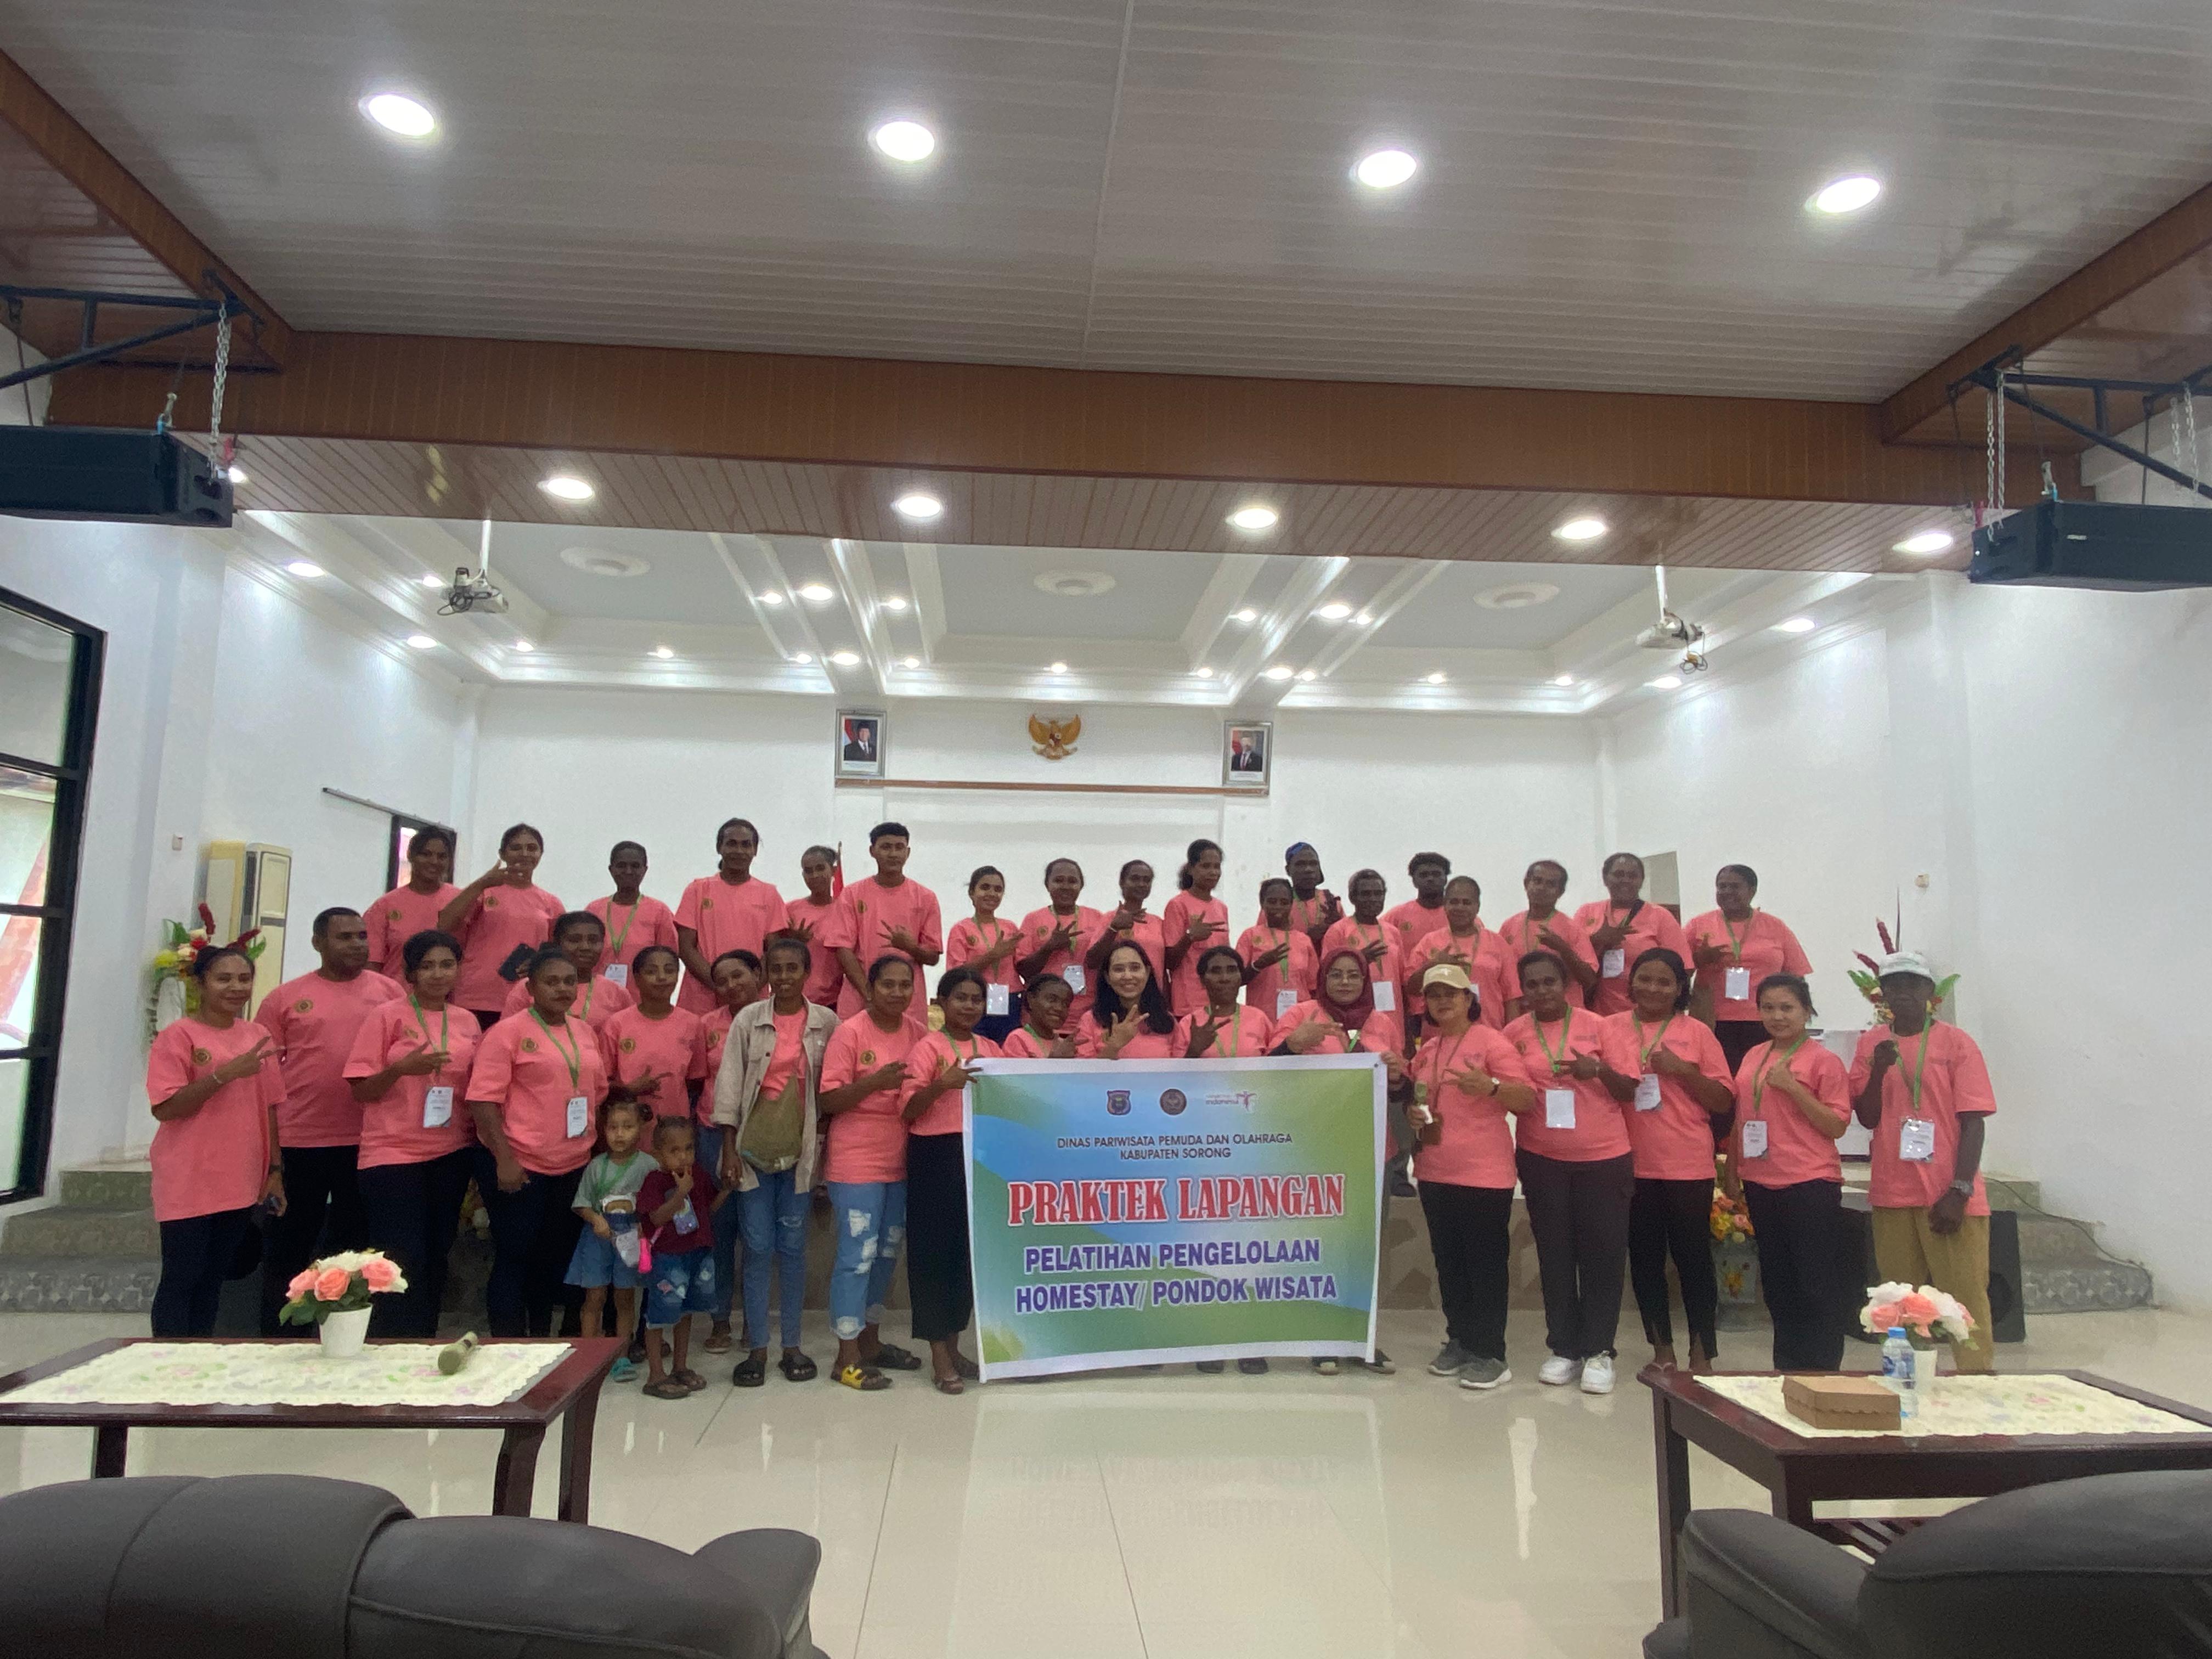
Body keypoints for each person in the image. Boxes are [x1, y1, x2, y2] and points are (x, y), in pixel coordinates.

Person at [254, 906, 402, 1335]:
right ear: (318, 943)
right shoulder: (284, 999)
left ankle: (346, 1335)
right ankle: (281, 1339)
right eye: (345, 937)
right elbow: (264, 1076)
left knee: (354, 1248)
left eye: (361, 936)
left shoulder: (390, 992)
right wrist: (272, 1156)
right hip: (302, 1140)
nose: (357, 944)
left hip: (368, 1140)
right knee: (290, 1245)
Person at [1849, 952, 1997, 1374]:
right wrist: (1879, 1070)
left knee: (1964, 1299)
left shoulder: (1957, 1043)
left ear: (1930, 992)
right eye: (1894, 985)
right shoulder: (1871, 1044)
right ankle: (1906, 1381)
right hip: (1893, 1193)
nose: (1903, 993)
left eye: (1913, 984)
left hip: (1948, 1194)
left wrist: (1960, 1190)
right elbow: (1867, 1117)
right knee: (1898, 1302)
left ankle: (1976, 1382)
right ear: (1883, 993)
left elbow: (1974, 1121)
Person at [1593, 949, 1734, 1374]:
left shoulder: (1697, 1033)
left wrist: (1683, 1071)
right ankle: (1662, 1350)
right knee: (1645, 1260)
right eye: (1645, 979)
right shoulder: (1608, 1028)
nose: (1653, 988)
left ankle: (1702, 1352)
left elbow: (1723, 1100)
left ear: (1679, 989)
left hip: (1687, 1164)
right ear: (1631, 982)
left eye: (1664, 982)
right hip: (1629, 1162)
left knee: (1693, 1260)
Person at [1397, 963, 1536, 1390]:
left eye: (1450, 993)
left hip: (1483, 1174)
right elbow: (1419, 1100)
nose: (1442, 1001)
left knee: (1485, 1265)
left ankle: (1491, 1353)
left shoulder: (1493, 1042)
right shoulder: (1428, 1049)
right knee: (1449, 1262)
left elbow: (1527, 1098)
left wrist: (1492, 1087)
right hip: (1435, 1170)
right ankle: (1459, 1339)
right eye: (1434, 994)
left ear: (1468, 999)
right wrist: (1414, 1115)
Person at [1504, 950, 1633, 1394]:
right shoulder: (1514, 1034)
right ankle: (1564, 1348)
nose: (1542, 991)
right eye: (1532, 984)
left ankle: (1599, 1351)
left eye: (1550, 982)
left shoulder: (1601, 1027)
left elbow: (1629, 1089)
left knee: (1603, 1256)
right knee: (1555, 1255)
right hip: (1542, 1159)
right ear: (1523, 990)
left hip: (1603, 1159)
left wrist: (1598, 1070)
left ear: (1566, 985)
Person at [711, 937, 839, 1386]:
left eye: (793, 968)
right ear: (766, 973)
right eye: (776, 969)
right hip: (751, 1153)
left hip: (801, 1154)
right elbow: (729, 1086)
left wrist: (826, 1164)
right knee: (758, 1248)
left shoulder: (827, 1023)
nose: (784, 977)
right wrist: (728, 1148)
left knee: (793, 1249)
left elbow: (832, 1093)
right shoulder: (749, 1020)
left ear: (807, 973)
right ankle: (758, 1349)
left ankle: (792, 1346)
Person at [465, 947, 612, 1337]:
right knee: (515, 1256)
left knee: (553, 1258)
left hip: (572, 1164)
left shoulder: (584, 1031)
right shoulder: (507, 1033)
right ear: (530, 988)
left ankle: (543, 1341)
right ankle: (509, 1344)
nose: (562, 989)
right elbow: (482, 1101)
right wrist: (504, 1159)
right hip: (520, 1163)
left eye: (569, 981)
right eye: (551, 982)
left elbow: (596, 1094)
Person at [1271, 949, 1404, 1376]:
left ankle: (1362, 1339)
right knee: (1321, 1246)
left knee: (1364, 1247)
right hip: (1316, 1149)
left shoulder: (1382, 1022)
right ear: (1322, 978)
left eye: (1353, 976)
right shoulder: (1301, 1015)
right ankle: (1322, 1337)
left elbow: (1400, 1086)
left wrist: (1398, 1075)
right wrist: (1294, 1044)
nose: (1345, 982)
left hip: (1371, 1147)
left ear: (1365, 981)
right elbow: (1267, 1072)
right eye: (1337, 975)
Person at [345, 928, 482, 1338]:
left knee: (438, 1254)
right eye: (428, 966)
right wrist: (400, 1070)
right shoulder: (386, 1017)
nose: (438, 974)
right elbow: (361, 1090)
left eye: (447, 965)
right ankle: (392, 1343)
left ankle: (423, 1342)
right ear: (410, 973)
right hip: (393, 1154)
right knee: (400, 1257)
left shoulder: (467, 1021)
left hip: (451, 1151)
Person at [144, 946, 285, 1337]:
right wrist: (225, 1074)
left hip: (240, 1177)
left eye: (244, 979)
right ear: (200, 983)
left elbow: (271, 1107)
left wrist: (275, 1170)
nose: (235, 987)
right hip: (189, 1176)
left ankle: (198, 1357)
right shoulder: (178, 1036)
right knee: (182, 1277)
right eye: (224, 979)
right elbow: (166, 1108)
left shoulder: (258, 1035)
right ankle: (166, 1358)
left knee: (213, 1279)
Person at [1727, 974, 1854, 1372]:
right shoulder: (1754, 1055)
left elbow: (1836, 1125)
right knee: (1778, 1282)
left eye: (1787, 1008)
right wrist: (1733, 1169)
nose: (1777, 1016)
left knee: (1814, 1282)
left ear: (1806, 1010)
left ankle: (1823, 1370)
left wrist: (1794, 1088)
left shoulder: (1823, 1060)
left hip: (1809, 1182)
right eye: (1768, 1008)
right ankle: (1787, 1366)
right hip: (1761, 1181)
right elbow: (1743, 1116)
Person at [818, 956, 929, 1390]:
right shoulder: (850, 1033)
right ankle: (844, 1357)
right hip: (856, 1162)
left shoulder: (919, 1034)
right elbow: (828, 1101)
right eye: (888, 985)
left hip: (901, 1160)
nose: (898, 993)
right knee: (857, 1257)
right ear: (870, 989)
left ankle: (871, 1343)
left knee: (886, 1254)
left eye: (905, 985)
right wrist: (874, 1083)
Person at [900, 967, 1002, 1393]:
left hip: (979, 1156)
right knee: (933, 1257)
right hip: (936, 1156)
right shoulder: (927, 1048)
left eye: (976, 999)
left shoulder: (992, 1049)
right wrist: (943, 1084)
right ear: (941, 1003)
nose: (969, 1006)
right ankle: (938, 1356)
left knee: (966, 1256)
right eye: (960, 997)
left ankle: (956, 1347)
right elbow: (908, 1110)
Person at [1686, 865, 1813, 1071]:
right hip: (1712, 1020)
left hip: (1767, 1019)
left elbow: (1797, 978)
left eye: (1735, 887)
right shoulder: (1698, 925)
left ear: (1752, 890)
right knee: (1717, 1079)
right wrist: (1699, 960)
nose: (1727, 892)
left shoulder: (1776, 927)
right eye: (1722, 887)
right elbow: (1676, 972)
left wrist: (1800, 1019)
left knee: (1762, 1078)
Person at [440, 822, 565, 1029]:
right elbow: (444, 925)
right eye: (516, 848)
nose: (524, 854)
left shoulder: (551, 903)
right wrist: (482, 883)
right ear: (502, 854)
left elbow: (558, 954)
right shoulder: (483, 892)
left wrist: (538, 962)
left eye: (532, 848)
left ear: (540, 855)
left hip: (527, 998)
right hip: (477, 997)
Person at [565, 1097, 652, 1383]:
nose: (620, 1134)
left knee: (625, 1298)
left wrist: (644, 1226)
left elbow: (655, 1203)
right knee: (595, 1297)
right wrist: (595, 1218)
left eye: (628, 1127)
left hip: (630, 1238)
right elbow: (581, 1203)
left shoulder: (649, 1166)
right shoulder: (596, 1167)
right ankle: (589, 1356)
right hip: (597, 1237)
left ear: (640, 1129)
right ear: (603, 1130)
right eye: (613, 1127)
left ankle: (622, 1356)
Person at [636, 1117, 723, 1399]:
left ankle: (680, 1366)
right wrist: (680, 1193)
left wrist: (727, 1189)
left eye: (689, 1148)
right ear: (658, 1154)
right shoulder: (654, 1181)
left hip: (696, 1252)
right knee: (660, 1314)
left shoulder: (698, 1174)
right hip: (668, 1259)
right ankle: (655, 1375)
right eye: (674, 1151)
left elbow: (709, 1208)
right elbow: (656, 1217)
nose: (683, 1156)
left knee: (686, 1311)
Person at [675, 819, 786, 1015]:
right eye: (732, 844)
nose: (739, 851)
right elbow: (686, 948)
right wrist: (721, 985)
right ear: (720, 847)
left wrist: (748, 990)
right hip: (702, 1000)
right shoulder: (697, 890)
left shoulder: (769, 894)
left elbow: (773, 950)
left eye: (746, 845)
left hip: (752, 1003)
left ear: (755, 850)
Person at [835, 822, 943, 1017]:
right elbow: (843, 950)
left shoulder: (926, 898)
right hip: (860, 1000)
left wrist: (911, 947)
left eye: (899, 847)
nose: (893, 854)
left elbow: (933, 957)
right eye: (886, 847)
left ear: (908, 853)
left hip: (907, 1004)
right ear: (872, 851)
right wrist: (869, 994)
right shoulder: (852, 894)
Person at [597, 946, 706, 1133]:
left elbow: (695, 1081)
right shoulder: (617, 1024)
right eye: (651, 972)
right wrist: (629, 1089)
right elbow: (602, 1082)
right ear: (637, 978)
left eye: (670, 971)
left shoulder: (693, 1024)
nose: (662, 977)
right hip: (626, 1130)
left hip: (675, 1128)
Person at [1575, 853, 1692, 1018]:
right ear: (1605, 878)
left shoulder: (1660, 916)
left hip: (1647, 1014)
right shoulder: (1587, 913)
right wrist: (1596, 942)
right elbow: (1570, 961)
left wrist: (1657, 999)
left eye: (1632, 876)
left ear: (1642, 881)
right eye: (1619, 874)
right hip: (1596, 1013)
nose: (1625, 880)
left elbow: (1684, 968)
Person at [1408, 877, 1520, 1031]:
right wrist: (1433, 966)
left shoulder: (1498, 943)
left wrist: (1510, 1036)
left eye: (1467, 903)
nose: (1460, 908)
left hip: (1490, 1033)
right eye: (1454, 902)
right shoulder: (1429, 942)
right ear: (1445, 905)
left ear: (1478, 907)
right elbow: (1411, 989)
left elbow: (1512, 997)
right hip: (1440, 1036)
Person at [500, 911, 634, 1032]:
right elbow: (506, 1036)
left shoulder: (617, 993)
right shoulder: (530, 987)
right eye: (574, 940)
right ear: (558, 943)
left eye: (593, 941)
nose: (585, 947)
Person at [1500, 861, 1600, 1009]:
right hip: (1524, 1014)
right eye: (1537, 881)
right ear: (1526, 884)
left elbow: (1589, 980)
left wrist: (1563, 949)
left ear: (1561, 892)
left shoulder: (1572, 928)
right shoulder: (1509, 926)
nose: (1542, 888)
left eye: (1551, 884)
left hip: (1565, 1015)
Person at [364, 826, 458, 974]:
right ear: (410, 855)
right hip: (396, 989)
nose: (434, 861)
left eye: (442, 857)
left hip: (448, 990)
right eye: (426, 854)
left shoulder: (461, 900)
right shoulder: (384, 906)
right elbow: (372, 967)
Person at [946, 865, 1024, 1042]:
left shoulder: (1010, 927)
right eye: (985, 887)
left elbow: (1021, 964)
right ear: (972, 893)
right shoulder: (961, 929)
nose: (992, 893)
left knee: (1009, 1050)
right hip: (976, 1000)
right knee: (979, 1049)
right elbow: (956, 975)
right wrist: (992, 956)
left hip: (1010, 999)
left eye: (998, 889)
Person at [586, 840, 679, 986]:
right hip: (599, 993)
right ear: (611, 869)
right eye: (621, 866)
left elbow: (668, 960)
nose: (628, 871)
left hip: (644, 994)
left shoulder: (659, 912)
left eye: (635, 866)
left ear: (644, 870)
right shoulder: (594, 910)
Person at [1015, 857, 1104, 998]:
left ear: (1081, 885)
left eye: (1072, 881)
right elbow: (1024, 971)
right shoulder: (1033, 919)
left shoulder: (1097, 918)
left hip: (1089, 1004)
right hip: (1044, 1005)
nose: (1065, 886)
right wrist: (1049, 947)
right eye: (1058, 880)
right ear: (1047, 885)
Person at [1322, 869, 1405, 1017]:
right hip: (1354, 1014)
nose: (1373, 899)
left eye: (1378, 894)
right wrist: (1359, 959)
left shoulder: (1393, 932)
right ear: (1353, 898)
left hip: (1393, 1014)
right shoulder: (1338, 931)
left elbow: (1402, 980)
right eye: (1366, 894)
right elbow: (1325, 976)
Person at [1074, 940, 1178, 1059]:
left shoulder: (1167, 1021)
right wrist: (1113, 1047)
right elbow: (1084, 1070)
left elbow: (1182, 1068)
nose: (1128, 976)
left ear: (1147, 972)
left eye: (1135, 968)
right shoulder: (1090, 1021)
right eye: (1119, 969)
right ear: (1107, 977)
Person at [1381, 853, 1452, 1026]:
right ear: (1414, 880)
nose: (1430, 879)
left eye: (1436, 874)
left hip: (1452, 1004)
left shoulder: (1461, 917)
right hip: (1410, 1007)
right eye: (1424, 875)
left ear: (1445, 878)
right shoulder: (1395, 917)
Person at [781, 844, 854, 1011]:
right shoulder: (790, 910)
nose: (814, 875)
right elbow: (773, 951)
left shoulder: (846, 911)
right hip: (793, 1000)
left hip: (833, 1002)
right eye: (808, 871)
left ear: (833, 870)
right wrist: (793, 942)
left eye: (820, 869)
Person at [1163, 839, 1231, 1015]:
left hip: (1218, 999)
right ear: (1191, 869)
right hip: (1189, 1001)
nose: (1213, 872)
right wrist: (1190, 937)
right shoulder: (1178, 905)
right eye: (1206, 866)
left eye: (1217, 867)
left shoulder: (1221, 908)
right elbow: (1169, 962)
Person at [1239, 877, 1318, 1021]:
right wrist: (1258, 965)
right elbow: (1236, 980)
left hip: (1299, 1019)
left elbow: (1314, 987)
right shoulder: (1250, 936)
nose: (1278, 907)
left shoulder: (1304, 940)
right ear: (1262, 903)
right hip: (1262, 1018)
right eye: (1272, 902)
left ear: (1291, 904)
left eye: (1284, 902)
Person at [1084, 860, 1166, 990]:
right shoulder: (1109, 919)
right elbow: (1092, 962)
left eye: (1147, 880)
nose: (1141, 884)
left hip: (1153, 995)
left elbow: (1163, 966)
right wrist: (1114, 929)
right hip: (1119, 994)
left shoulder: (1158, 923)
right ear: (1122, 882)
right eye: (1135, 879)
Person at [1176, 947, 1272, 1057]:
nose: (1225, 978)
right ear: (1202, 980)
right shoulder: (1189, 1024)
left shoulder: (1259, 1018)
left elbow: (1275, 1062)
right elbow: (1176, 1068)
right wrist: (1194, 1051)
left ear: (1240, 977)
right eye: (1216, 972)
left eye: (1232, 970)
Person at [1279, 843, 1341, 950]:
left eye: (1313, 864)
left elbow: (1346, 944)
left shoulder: (1332, 902)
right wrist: (1307, 938)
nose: (1308, 869)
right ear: (1288, 870)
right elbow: (1265, 941)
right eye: (1301, 864)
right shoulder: (1277, 903)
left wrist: (1335, 928)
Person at [1000, 973, 1077, 1059]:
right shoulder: (1018, 1038)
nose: (1059, 1008)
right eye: (1052, 1000)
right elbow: (1018, 1068)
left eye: (1066, 1004)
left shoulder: (1064, 1044)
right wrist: (1055, 1059)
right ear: (1031, 1000)